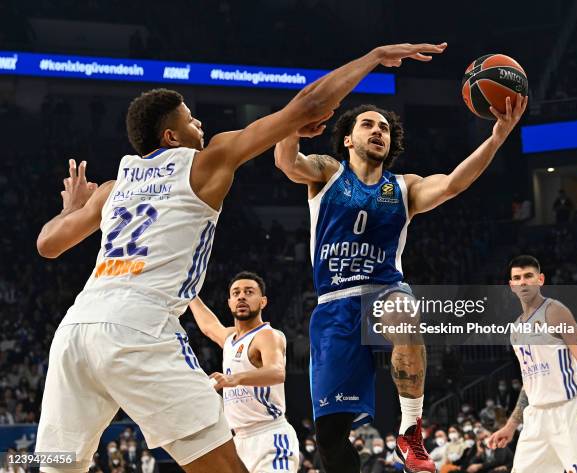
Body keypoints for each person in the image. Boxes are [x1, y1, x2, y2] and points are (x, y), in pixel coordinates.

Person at [34, 42, 433, 473]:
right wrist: (372, 58)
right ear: (171, 136)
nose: (199, 123)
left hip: (74, 331)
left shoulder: (114, 186)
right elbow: (311, 102)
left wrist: (70, 209)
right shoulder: (206, 161)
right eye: (190, 119)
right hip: (141, 328)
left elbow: (48, 245)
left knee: (58, 465)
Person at [274, 73, 527, 472]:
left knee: (404, 314)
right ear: (347, 139)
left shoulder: (403, 187)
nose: (378, 131)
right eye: (368, 124)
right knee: (331, 438)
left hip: (384, 290)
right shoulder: (327, 173)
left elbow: (452, 185)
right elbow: (287, 163)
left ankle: (410, 433)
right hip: (335, 305)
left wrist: (496, 137)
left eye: (385, 128)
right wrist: (291, 129)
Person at [488, 255, 577, 472]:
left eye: (528, 276)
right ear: (511, 285)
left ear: (540, 279)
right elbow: (530, 381)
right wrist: (511, 425)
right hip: (536, 418)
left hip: (569, 410)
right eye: (517, 278)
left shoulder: (555, 311)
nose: (523, 281)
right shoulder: (515, 330)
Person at [189, 271, 299, 472]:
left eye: (249, 292)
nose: (241, 296)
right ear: (229, 302)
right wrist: (189, 293)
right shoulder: (230, 338)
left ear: (263, 301)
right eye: (236, 293)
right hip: (237, 440)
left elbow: (276, 372)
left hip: (269, 436)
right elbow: (209, 326)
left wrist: (234, 379)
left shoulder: (267, 335)